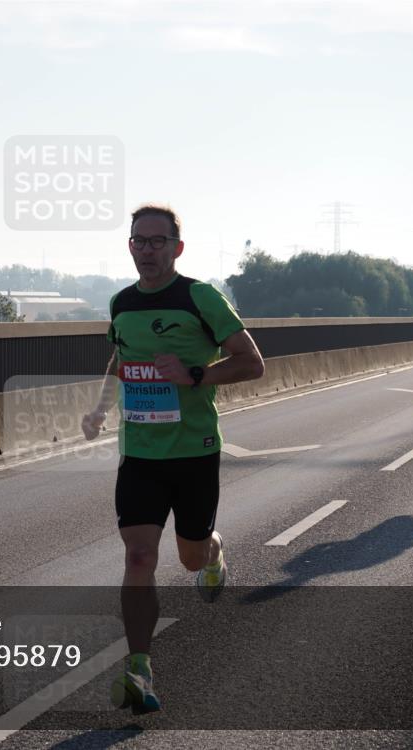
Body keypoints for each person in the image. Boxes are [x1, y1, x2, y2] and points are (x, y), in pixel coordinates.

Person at [81, 205, 264, 714]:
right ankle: (139, 667)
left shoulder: (200, 297)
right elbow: (121, 358)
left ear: (177, 248)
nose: (147, 250)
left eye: (158, 241)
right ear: (130, 245)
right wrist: (99, 408)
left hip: (194, 452)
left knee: (189, 556)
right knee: (139, 557)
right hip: (139, 453)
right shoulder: (120, 303)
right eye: (139, 240)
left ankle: (213, 550)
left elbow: (253, 363)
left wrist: (196, 375)